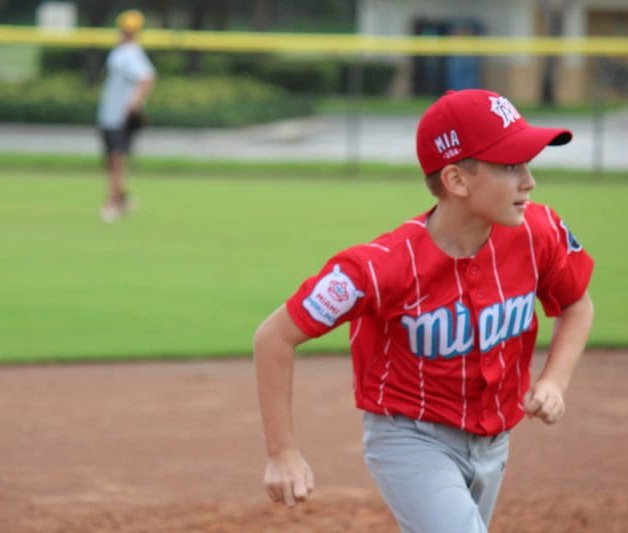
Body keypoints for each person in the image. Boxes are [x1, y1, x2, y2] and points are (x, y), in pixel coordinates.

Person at [254, 88, 594, 532]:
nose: (529, 180)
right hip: (410, 439)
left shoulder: (539, 232)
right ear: (456, 180)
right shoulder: (379, 267)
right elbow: (275, 336)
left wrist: (554, 381)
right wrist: (283, 453)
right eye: (511, 166)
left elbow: (576, 304)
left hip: (495, 442)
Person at [96, 9, 156, 223]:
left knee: (116, 160)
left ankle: (112, 203)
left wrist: (135, 103)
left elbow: (147, 77)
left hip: (119, 117)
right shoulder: (122, 51)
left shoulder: (130, 53)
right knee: (111, 160)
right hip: (109, 114)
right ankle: (122, 199)